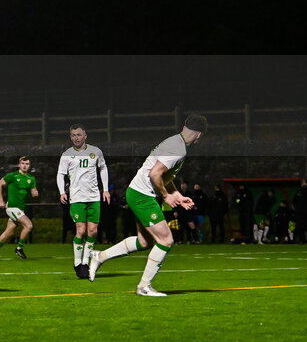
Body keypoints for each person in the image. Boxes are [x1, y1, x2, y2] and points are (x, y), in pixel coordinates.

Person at [87, 114, 206, 297]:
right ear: (199, 135)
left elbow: (165, 176)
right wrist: (166, 196)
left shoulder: (174, 141)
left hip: (137, 193)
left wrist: (177, 195)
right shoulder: (178, 149)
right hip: (142, 196)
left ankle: (99, 256)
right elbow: (155, 174)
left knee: (144, 242)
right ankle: (144, 286)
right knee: (166, 240)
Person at [57, 124, 109, 278]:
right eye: (73, 135)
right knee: (80, 230)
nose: (76, 138)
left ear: (85, 135)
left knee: (92, 231)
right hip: (77, 198)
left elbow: (103, 168)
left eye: (79, 135)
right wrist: (62, 192)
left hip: (93, 197)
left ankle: (86, 262)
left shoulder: (96, 151)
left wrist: (105, 189)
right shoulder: (66, 155)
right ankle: (77, 263)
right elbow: (60, 174)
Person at [0, 156, 39, 260]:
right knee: (29, 225)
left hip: (20, 209)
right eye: (23, 163)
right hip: (12, 208)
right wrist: (1, 200)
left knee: (9, 231)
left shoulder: (31, 178)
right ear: (19, 164)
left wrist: (35, 193)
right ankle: (19, 248)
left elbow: (33, 192)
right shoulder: (12, 176)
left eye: (27, 164)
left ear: (29, 166)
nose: (25, 166)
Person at [293, 180, 307, 244]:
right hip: (300, 213)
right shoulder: (298, 192)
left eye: (304, 182)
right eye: (302, 183)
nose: (303, 184)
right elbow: (294, 201)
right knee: (300, 227)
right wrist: (296, 209)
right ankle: (302, 240)